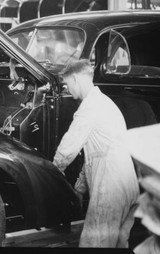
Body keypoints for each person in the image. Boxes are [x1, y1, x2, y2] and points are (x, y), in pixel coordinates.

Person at [52, 59, 139, 248]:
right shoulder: (106, 103)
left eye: (67, 85)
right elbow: (97, 154)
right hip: (129, 187)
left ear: (75, 79)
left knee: (94, 244)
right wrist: (79, 188)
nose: (68, 90)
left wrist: (51, 173)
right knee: (118, 245)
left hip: (110, 190)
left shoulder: (89, 108)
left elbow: (69, 147)